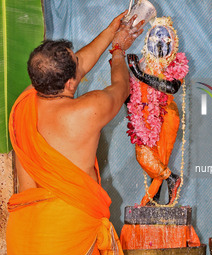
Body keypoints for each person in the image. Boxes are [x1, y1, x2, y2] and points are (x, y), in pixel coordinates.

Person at [6, 11, 144, 255]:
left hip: (24, 234)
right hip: (66, 235)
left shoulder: (22, 106)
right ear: (71, 83)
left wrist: (111, 30)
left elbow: (74, 68)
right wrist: (118, 51)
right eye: (77, 64)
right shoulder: (87, 110)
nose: (81, 63)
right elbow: (121, 88)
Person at [126, 17, 189, 206]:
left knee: (157, 159)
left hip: (166, 115)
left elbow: (171, 88)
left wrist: (139, 74)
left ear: (173, 43)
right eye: (155, 40)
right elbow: (130, 95)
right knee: (148, 159)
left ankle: (162, 188)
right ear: (147, 42)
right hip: (144, 118)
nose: (160, 45)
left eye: (166, 41)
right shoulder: (142, 63)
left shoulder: (175, 63)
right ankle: (166, 184)